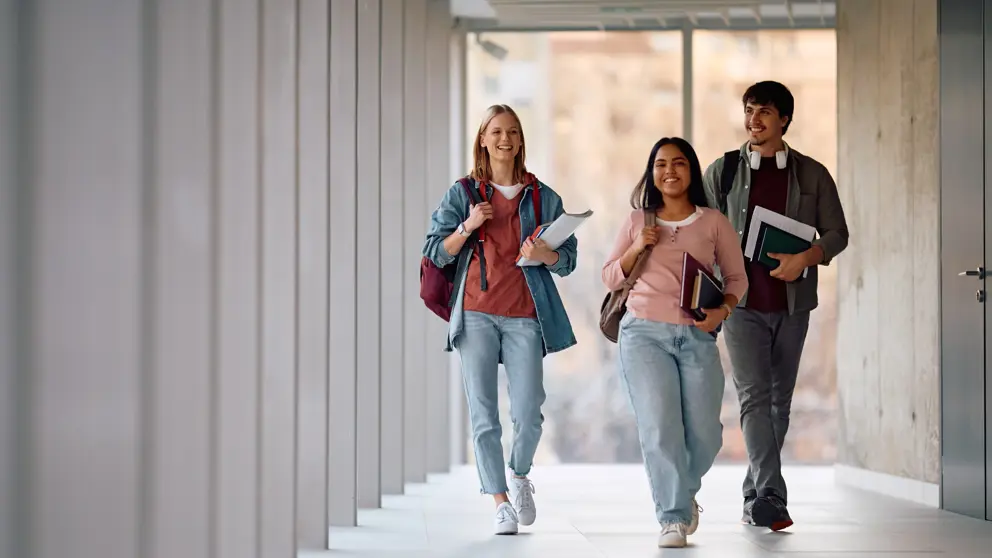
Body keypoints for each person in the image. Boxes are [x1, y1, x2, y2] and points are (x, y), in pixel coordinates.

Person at [422, 104, 578, 535]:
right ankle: (499, 500)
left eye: (512, 131)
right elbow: (437, 251)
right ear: (483, 140)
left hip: (525, 315)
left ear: (521, 140)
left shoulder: (545, 197)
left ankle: (520, 474)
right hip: (475, 314)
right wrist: (468, 226)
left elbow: (567, 261)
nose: (504, 139)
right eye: (496, 132)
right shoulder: (463, 194)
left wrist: (544, 255)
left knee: (529, 412)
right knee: (484, 415)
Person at [701, 81, 849, 531]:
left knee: (779, 403)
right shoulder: (722, 172)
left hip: (792, 303)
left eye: (764, 112)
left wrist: (805, 258)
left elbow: (838, 234)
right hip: (739, 303)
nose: (754, 121)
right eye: (748, 111)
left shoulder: (812, 174)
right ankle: (772, 496)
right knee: (754, 397)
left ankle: (754, 494)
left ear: (783, 118)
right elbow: (698, 231)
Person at [602, 137, 748, 548]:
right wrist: (636, 247)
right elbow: (611, 277)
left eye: (679, 163)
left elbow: (737, 279)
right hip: (643, 334)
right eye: (661, 163)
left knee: (706, 434)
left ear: (691, 170)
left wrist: (722, 312)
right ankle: (672, 517)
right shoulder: (637, 220)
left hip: (697, 335)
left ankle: (682, 494)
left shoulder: (714, 222)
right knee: (660, 427)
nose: (670, 170)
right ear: (652, 172)